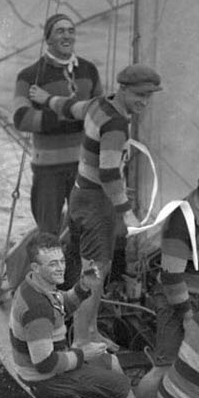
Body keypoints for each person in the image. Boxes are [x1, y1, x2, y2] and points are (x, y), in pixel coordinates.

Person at [29, 62, 163, 349]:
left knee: (94, 270)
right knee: (94, 273)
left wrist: (45, 99)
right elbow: (110, 173)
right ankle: (81, 339)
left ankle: (90, 330)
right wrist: (126, 212)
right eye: (139, 95)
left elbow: (69, 107)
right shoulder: (116, 125)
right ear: (123, 89)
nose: (144, 101)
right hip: (97, 205)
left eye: (149, 96)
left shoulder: (97, 104)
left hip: (79, 194)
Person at [9, 232, 161, 398]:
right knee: (120, 385)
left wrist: (82, 287)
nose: (61, 268)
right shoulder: (37, 308)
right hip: (44, 379)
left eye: (61, 261)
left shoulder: (36, 285)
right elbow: (44, 364)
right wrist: (81, 354)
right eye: (53, 264)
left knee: (111, 361)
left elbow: (61, 306)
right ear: (36, 268)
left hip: (52, 364)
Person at [133, 156, 199, 398]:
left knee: (194, 360)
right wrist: (188, 317)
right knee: (164, 364)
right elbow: (171, 276)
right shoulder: (182, 220)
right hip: (177, 301)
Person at [11, 13, 102, 238]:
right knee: (48, 233)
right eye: (60, 31)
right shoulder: (29, 76)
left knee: (85, 230)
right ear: (48, 39)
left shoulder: (89, 71)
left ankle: (76, 273)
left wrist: (51, 106)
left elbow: (99, 114)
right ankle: (46, 273)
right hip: (47, 172)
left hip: (84, 168)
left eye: (71, 31)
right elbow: (21, 119)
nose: (67, 35)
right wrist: (74, 112)